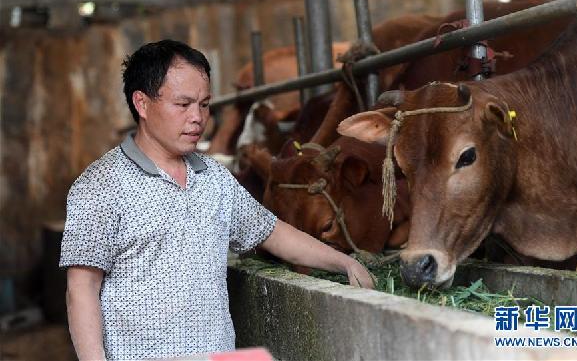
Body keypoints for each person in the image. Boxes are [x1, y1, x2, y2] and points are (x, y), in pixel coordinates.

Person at [59, 40, 374, 361]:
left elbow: (271, 232)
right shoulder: (100, 184)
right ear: (142, 103)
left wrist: (343, 262)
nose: (197, 117)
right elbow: (81, 289)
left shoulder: (214, 177)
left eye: (204, 104)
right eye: (183, 104)